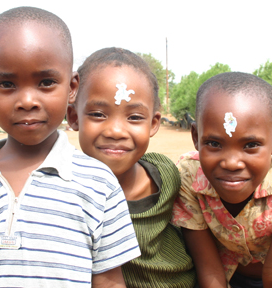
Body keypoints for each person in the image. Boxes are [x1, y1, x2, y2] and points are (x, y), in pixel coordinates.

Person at [0, 7, 140, 288]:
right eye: (7, 84)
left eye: (46, 82)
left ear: (72, 87)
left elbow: (109, 282)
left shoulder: (98, 183)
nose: (27, 101)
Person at [171, 72, 272, 288]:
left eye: (250, 145)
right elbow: (209, 270)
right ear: (196, 137)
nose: (232, 163)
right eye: (214, 143)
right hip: (227, 274)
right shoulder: (188, 176)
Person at [67, 47, 196, 287]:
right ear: (73, 117)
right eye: (97, 114)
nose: (116, 131)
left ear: (153, 123)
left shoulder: (166, 175)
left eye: (135, 117)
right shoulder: (66, 192)